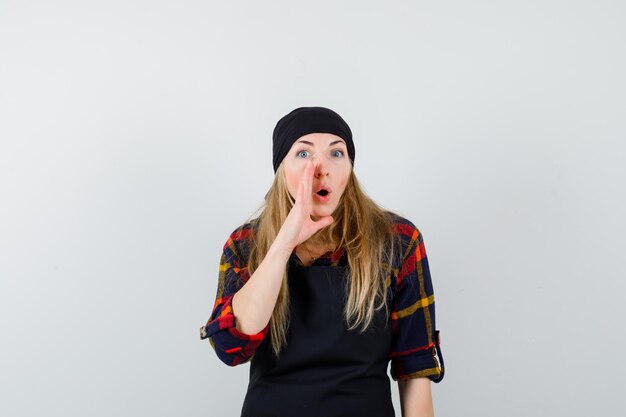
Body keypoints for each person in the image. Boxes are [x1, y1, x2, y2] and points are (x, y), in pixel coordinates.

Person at [200, 106, 445, 417]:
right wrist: (284, 243)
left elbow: (415, 366)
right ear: (281, 169)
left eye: (336, 153)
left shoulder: (397, 240)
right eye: (303, 154)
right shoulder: (245, 245)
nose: (321, 168)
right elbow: (231, 348)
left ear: (350, 169)